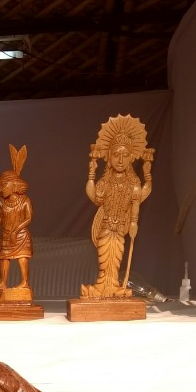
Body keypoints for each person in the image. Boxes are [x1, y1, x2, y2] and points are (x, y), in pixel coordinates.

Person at [81, 116, 152, 299]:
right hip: (105, 226)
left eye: (125, 155)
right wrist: (92, 172)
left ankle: (113, 287)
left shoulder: (133, 182)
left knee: (116, 258)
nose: (120, 160)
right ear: (109, 157)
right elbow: (95, 197)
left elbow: (139, 198)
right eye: (115, 155)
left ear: (131, 157)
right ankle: (101, 286)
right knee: (104, 258)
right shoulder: (106, 181)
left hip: (121, 227)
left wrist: (147, 174)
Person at [0, 145, 32, 290]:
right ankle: (3, 283)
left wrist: (16, 230)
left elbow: (28, 218)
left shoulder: (25, 200)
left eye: (4, 185)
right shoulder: (2, 202)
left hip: (20, 234)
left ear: (13, 185)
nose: (1, 189)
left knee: (22, 256)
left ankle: (24, 282)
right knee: (4, 257)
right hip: (6, 234)